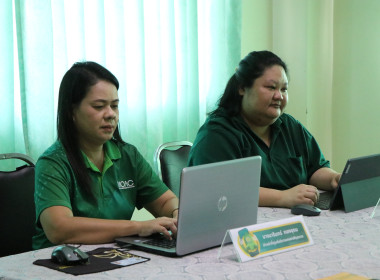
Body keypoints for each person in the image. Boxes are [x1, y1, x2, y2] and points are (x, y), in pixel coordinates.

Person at [33, 61, 179, 250]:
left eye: (115, 105)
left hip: (114, 256)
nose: (110, 114)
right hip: (58, 264)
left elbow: (165, 200)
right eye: (99, 106)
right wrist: (138, 227)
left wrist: (176, 214)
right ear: (71, 111)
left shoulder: (128, 156)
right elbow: (60, 229)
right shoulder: (53, 162)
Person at [188, 50, 341, 209]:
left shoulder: (290, 127)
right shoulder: (217, 134)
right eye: (271, 87)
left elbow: (315, 168)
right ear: (242, 88)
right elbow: (220, 191)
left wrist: (334, 179)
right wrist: (283, 197)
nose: (279, 96)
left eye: (284, 89)